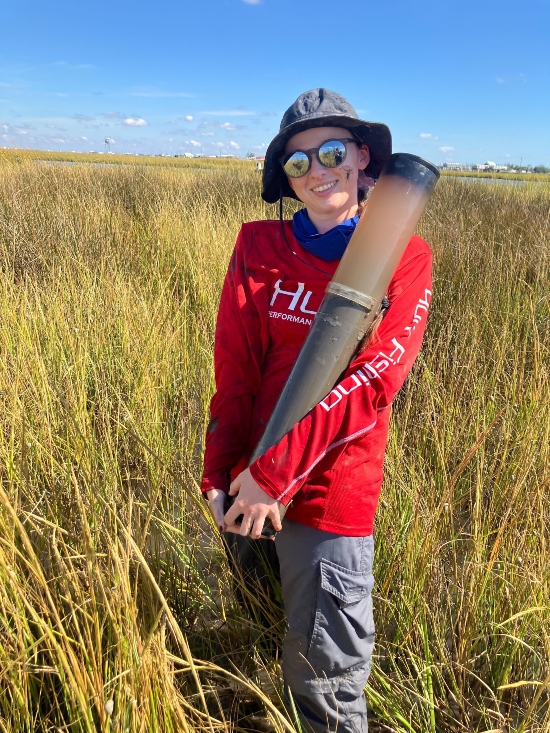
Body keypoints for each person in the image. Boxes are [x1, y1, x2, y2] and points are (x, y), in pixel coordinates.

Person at [200, 88, 433, 733]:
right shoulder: (257, 245)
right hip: (248, 483)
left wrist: (274, 475)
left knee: (326, 678)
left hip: (330, 492)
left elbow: (376, 381)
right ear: (287, 178)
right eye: (298, 161)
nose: (318, 169)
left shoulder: (404, 255)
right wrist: (222, 471)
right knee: (261, 619)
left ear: (362, 157)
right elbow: (236, 368)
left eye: (332, 151)